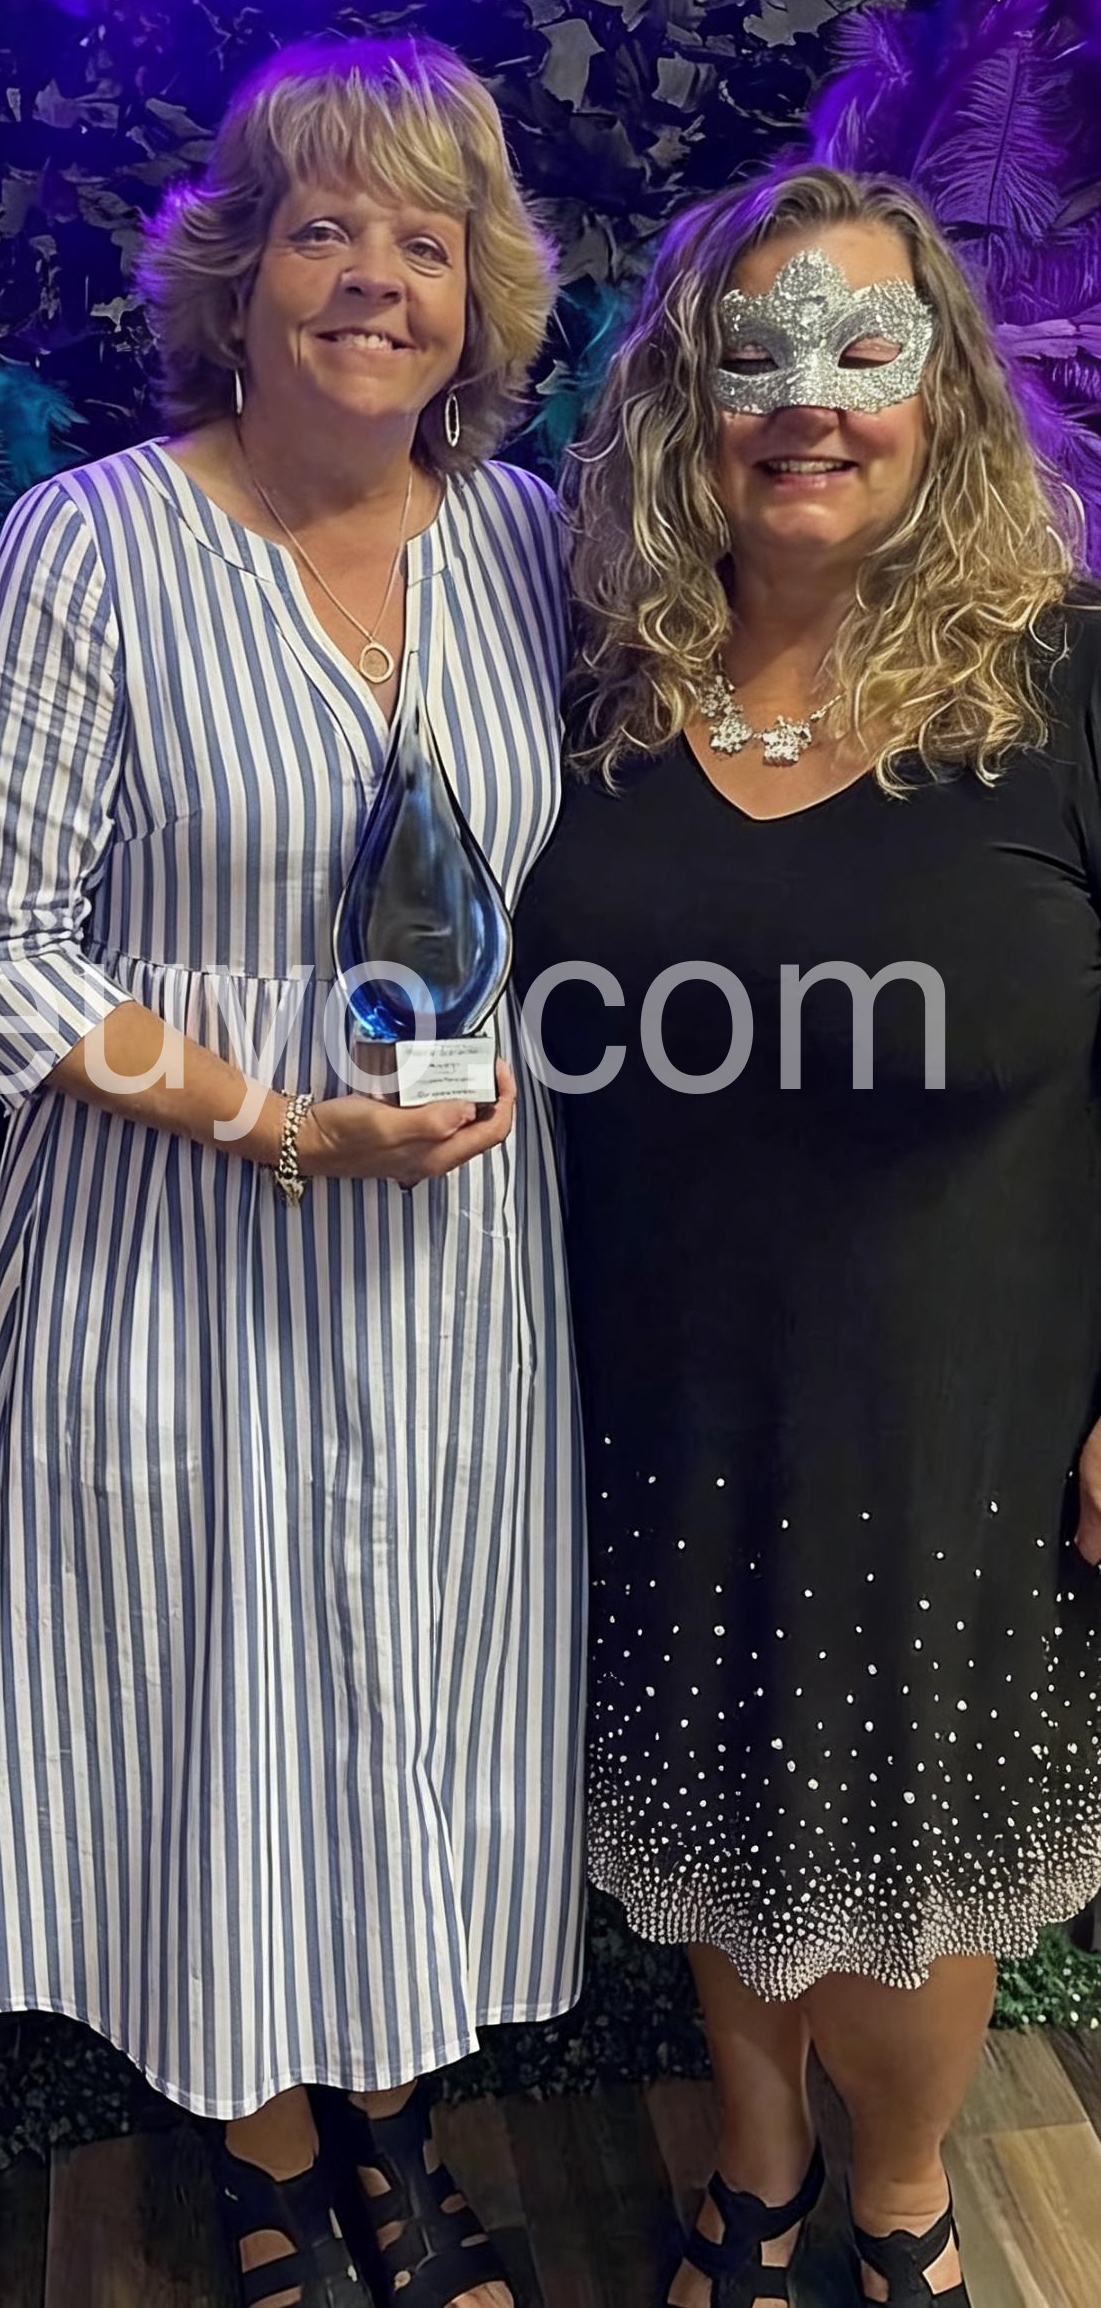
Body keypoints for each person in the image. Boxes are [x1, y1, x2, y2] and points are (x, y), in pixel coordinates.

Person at [0, 34, 585, 2308]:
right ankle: (270, 2151)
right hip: (184, 1243)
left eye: (425, 239)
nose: (374, 278)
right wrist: (280, 1118)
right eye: (323, 228)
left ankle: (392, 2117)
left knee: (410, 1684)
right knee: (210, 1701)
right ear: (238, 271)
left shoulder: (531, 539)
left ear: (481, 296)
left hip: (459, 1259)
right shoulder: (92, 547)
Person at [514, 162, 1101, 2308]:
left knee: (906, 1838)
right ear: (687, 400)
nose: (811, 400)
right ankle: (753, 2167)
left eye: (866, 347)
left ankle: (903, 2196)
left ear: (943, 389)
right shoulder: (595, 685)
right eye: (753, 353)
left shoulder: (1062, 679)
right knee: (711, 1786)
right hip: (657, 1384)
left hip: (960, 1414)